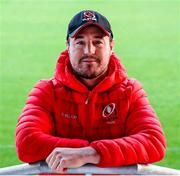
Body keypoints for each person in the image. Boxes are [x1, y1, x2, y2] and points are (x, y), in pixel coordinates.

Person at [16, 10, 166, 173]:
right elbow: (26, 142)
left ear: (111, 46)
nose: (89, 51)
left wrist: (90, 153)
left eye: (98, 42)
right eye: (80, 42)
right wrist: (98, 152)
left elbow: (154, 142)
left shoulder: (130, 91)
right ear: (68, 46)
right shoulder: (46, 91)